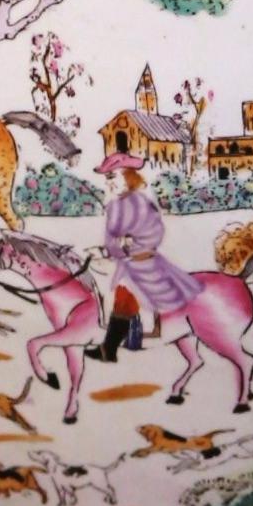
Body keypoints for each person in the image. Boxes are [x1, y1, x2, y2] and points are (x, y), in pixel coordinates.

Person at [95, 149, 204, 362]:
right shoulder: (115, 205)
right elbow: (111, 238)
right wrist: (107, 249)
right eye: (107, 179)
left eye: (112, 177)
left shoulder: (140, 203)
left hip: (141, 262)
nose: (109, 183)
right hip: (124, 262)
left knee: (126, 296)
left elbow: (155, 232)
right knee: (108, 291)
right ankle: (109, 347)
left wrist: (130, 243)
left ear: (128, 177)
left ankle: (115, 346)